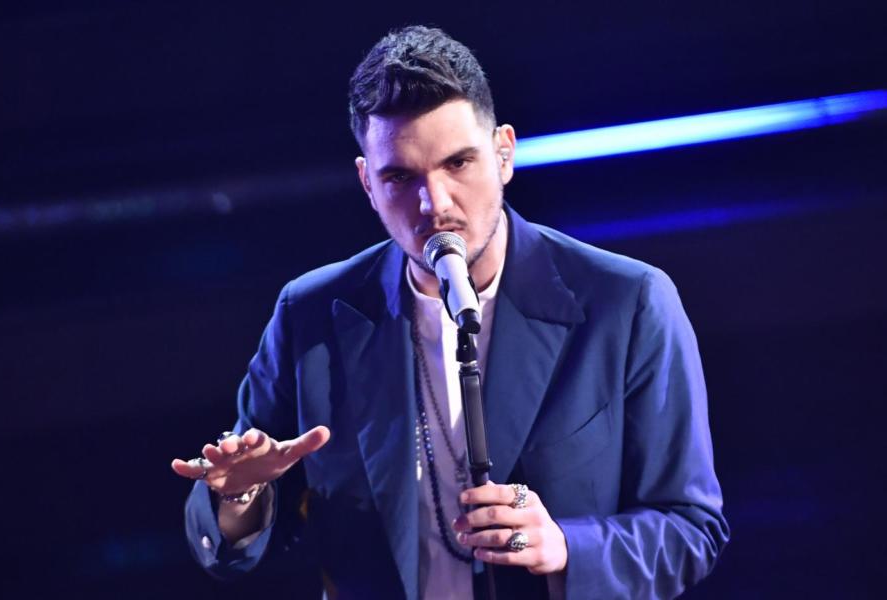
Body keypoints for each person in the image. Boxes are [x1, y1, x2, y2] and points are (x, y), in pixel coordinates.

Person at [172, 25, 729, 599]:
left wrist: (565, 545)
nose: (434, 204)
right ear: (367, 183)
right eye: (399, 177)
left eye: (458, 163)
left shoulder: (626, 302)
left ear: (504, 153)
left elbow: (691, 529)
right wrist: (239, 497)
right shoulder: (310, 316)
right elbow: (234, 541)